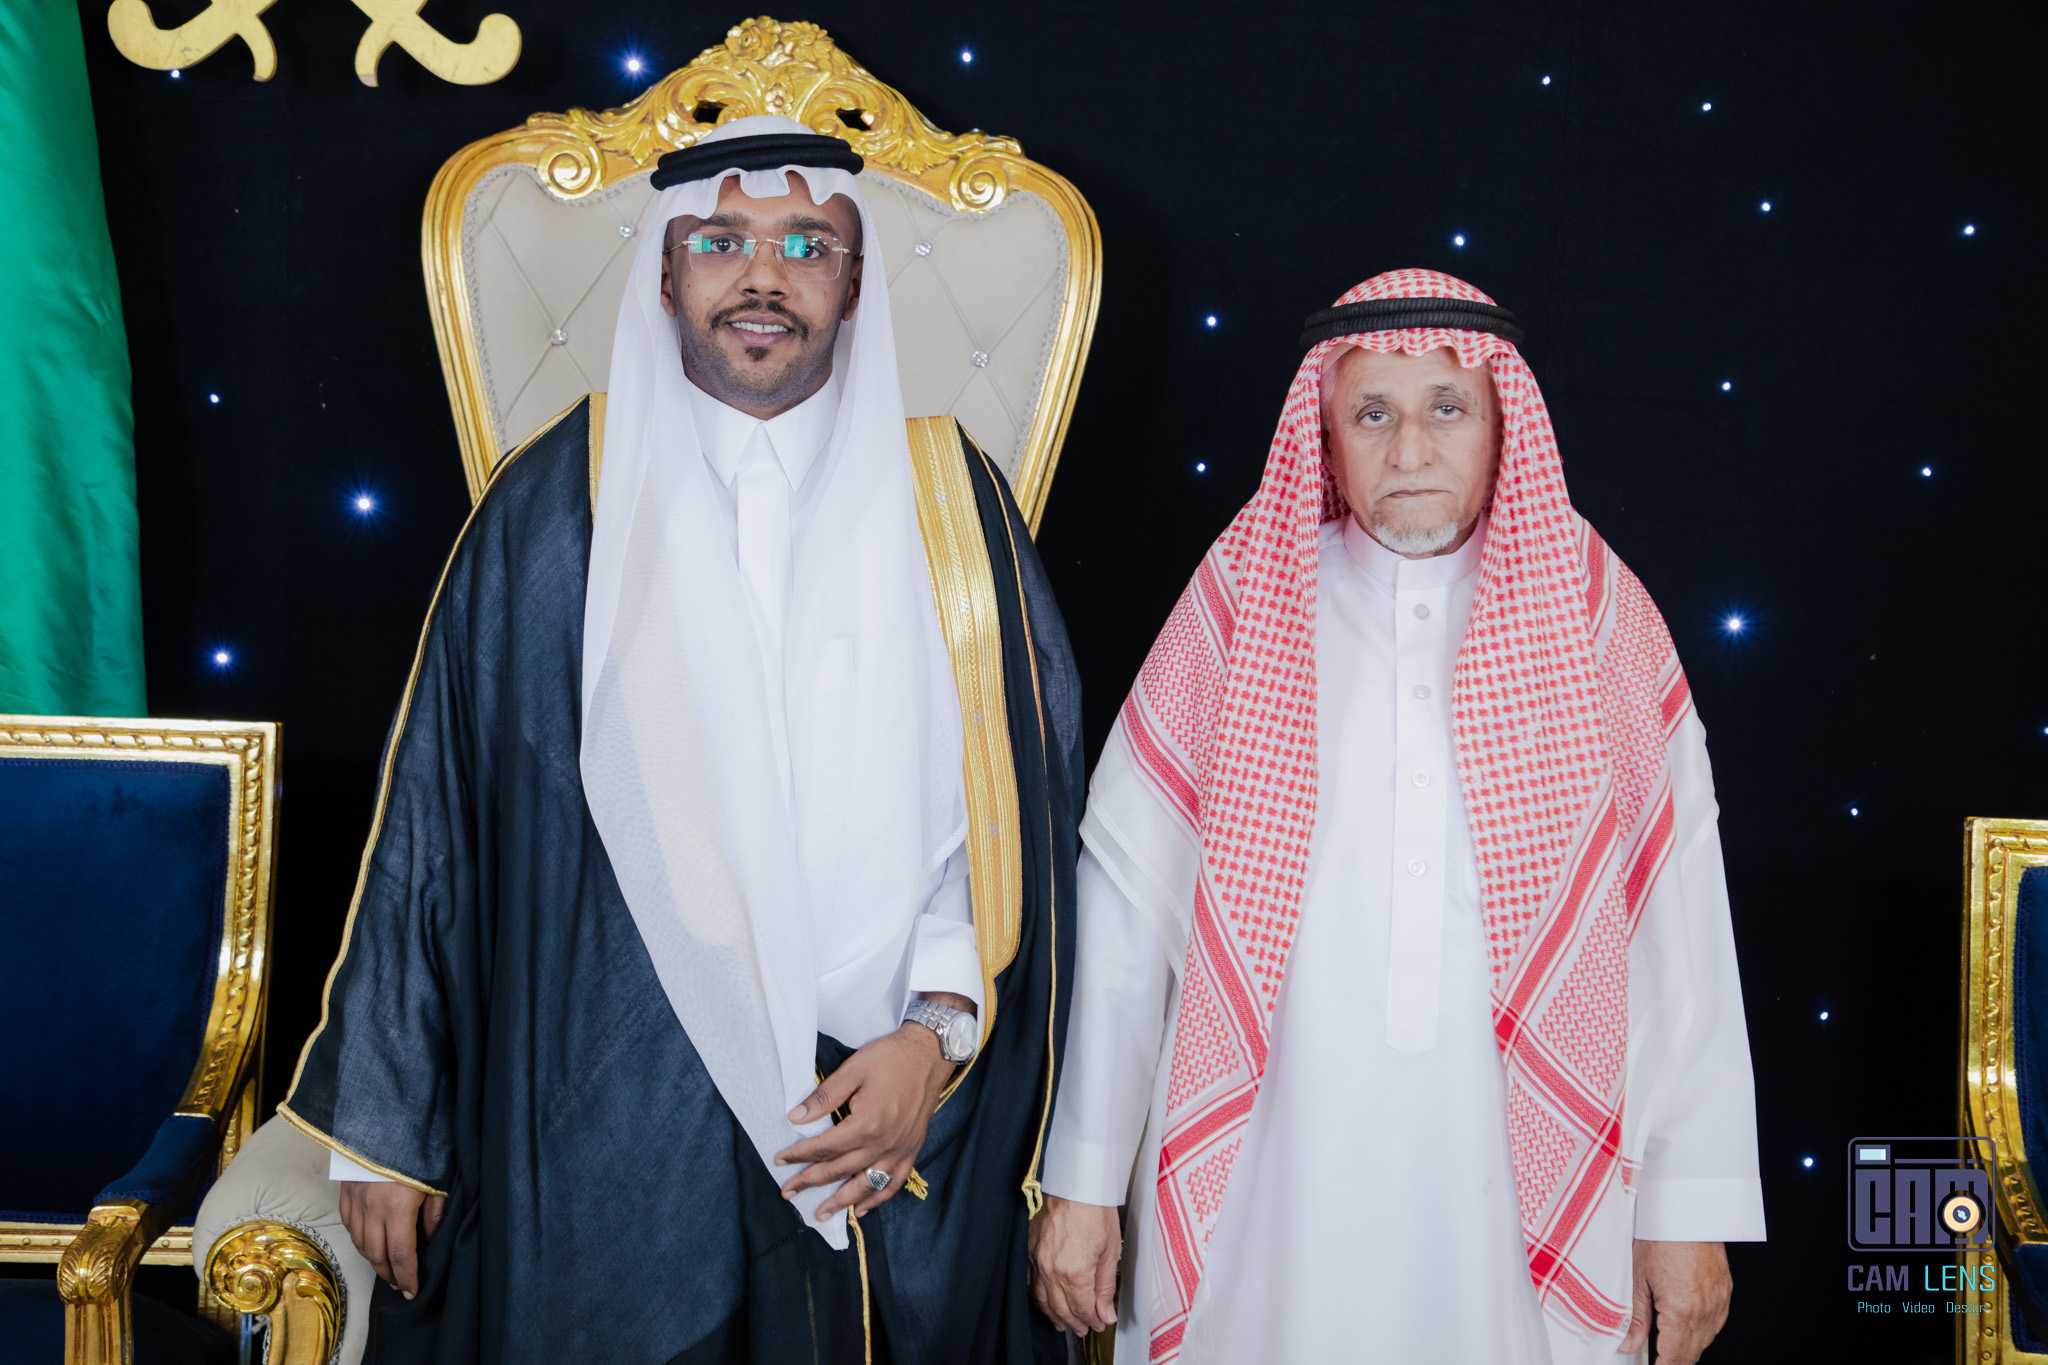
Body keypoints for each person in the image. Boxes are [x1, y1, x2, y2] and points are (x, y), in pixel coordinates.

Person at [279, 115, 1081, 1364]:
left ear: (853, 283)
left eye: (806, 245)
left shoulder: (951, 507)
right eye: (719, 242)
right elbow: (437, 816)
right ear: (664, 274)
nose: (762, 275)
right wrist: (389, 1124)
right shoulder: (556, 503)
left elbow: (1013, 826)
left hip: (878, 1102)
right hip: (609, 1082)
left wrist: (933, 1041)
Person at [1028, 269, 1763, 1365]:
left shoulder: (1595, 618)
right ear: (1323, 438)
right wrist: (1084, 1181)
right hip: (1271, 1183)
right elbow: (1127, 917)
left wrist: (1689, 1202)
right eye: (1372, 413)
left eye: (1445, 408)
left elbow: (1681, 926)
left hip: (1520, 1192)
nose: (1409, 449)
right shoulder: (1242, 605)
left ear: (1501, 426)